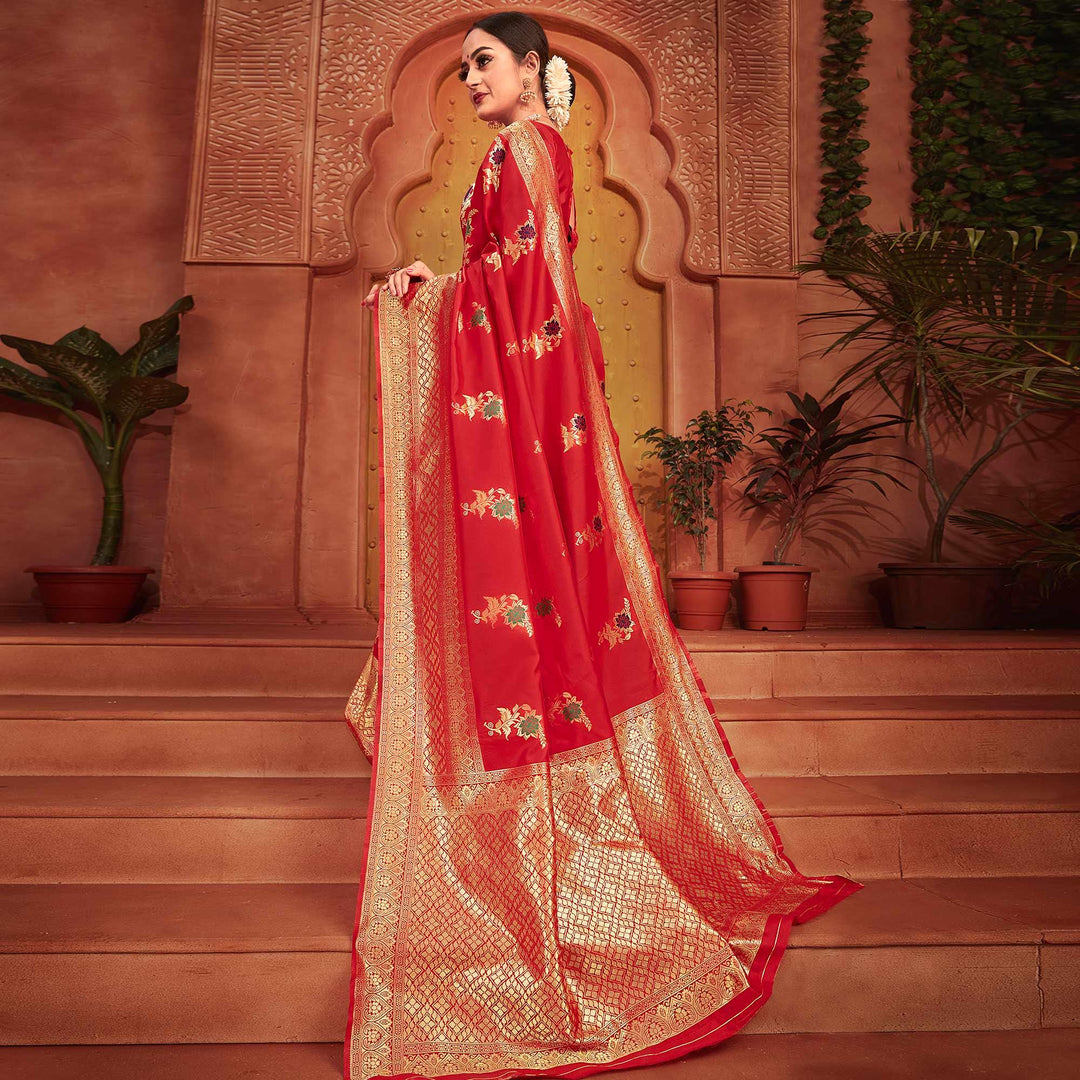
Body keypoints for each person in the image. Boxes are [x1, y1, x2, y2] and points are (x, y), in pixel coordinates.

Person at [343, 11, 864, 1079]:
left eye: (484, 61)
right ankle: (546, 824)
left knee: (527, 610)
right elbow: (522, 291)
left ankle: (559, 859)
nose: (471, 78)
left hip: (525, 407)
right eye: (464, 66)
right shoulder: (533, 152)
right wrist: (441, 284)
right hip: (536, 403)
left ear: (532, 67)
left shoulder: (524, 151)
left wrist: (423, 297)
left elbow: (521, 295)